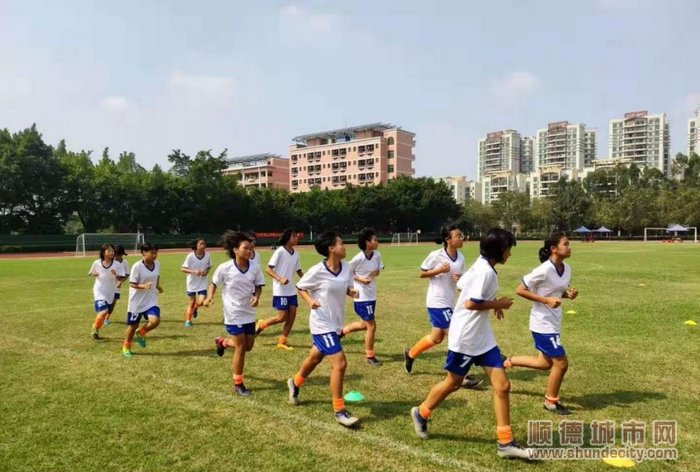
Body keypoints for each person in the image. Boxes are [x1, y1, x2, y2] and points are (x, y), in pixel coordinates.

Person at [410, 228, 532, 460]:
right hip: (465, 337)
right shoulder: (485, 271)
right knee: (453, 383)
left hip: (483, 338)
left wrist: (491, 302)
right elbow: (469, 303)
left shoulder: (481, 264)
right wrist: (498, 302)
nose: (510, 254)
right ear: (499, 250)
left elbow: (460, 285)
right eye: (508, 249)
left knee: (503, 386)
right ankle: (422, 412)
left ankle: (505, 443)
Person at [286, 231, 361, 427]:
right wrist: (310, 300)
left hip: (336, 322)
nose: (344, 246)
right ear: (331, 248)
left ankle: (295, 382)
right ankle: (339, 411)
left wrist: (350, 292)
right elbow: (301, 287)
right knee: (340, 364)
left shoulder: (346, 268)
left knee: (315, 358)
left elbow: (342, 286)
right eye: (341, 243)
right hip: (322, 323)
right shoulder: (317, 270)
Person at [503, 233, 578, 415]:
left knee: (544, 364)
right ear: (553, 249)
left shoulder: (566, 268)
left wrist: (568, 295)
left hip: (554, 322)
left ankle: (505, 362)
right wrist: (545, 300)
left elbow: (556, 293)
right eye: (566, 244)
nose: (570, 247)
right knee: (561, 363)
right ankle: (551, 401)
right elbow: (520, 290)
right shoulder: (544, 270)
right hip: (542, 324)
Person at [404, 226, 482, 389]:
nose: (461, 238)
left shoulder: (460, 257)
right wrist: (438, 270)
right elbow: (422, 273)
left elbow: (461, 283)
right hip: (436, 302)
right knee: (456, 334)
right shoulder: (436, 255)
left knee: (436, 338)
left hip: (450, 302)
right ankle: (461, 376)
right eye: (458, 236)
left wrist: (460, 278)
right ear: (448, 239)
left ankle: (410, 354)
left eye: (461, 236)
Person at [206, 231, 265, 396]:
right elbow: (213, 283)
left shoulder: (255, 267)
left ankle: (222, 343)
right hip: (233, 313)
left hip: (249, 312)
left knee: (248, 347)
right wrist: (210, 297)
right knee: (240, 348)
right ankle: (238, 384)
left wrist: (257, 297)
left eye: (250, 248)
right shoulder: (225, 268)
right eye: (245, 248)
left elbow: (259, 285)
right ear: (235, 250)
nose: (249, 251)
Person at [341, 228, 385, 366]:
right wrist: (359, 279)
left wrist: (376, 272)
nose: (377, 242)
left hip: (372, 294)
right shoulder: (358, 258)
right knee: (371, 326)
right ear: (367, 242)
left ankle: (341, 332)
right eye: (375, 240)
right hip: (362, 296)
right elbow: (347, 271)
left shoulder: (377, 255)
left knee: (365, 324)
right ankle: (370, 356)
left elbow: (378, 270)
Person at [256, 228, 304, 350]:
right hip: (281, 290)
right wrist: (280, 278)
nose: (297, 238)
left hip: (292, 290)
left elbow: (298, 270)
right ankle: (262, 324)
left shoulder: (296, 254)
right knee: (282, 317)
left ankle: (282, 341)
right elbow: (268, 269)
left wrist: (307, 280)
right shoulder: (280, 251)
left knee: (292, 315)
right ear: (288, 238)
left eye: (297, 236)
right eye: (294, 236)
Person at [122, 243, 163, 358]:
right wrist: (143, 286)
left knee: (155, 321)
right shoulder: (137, 266)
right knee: (133, 326)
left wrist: (158, 286)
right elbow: (132, 284)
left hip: (151, 299)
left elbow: (157, 275)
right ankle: (126, 346)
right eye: (152, 253)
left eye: (156, 253)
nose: (154, 255)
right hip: (137, 301)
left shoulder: (157, 264)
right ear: (144, 253)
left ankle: (141, 332)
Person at [88, 243, 125, 339]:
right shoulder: (97, 263)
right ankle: (94, 328)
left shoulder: (117, 265)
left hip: (110, 291)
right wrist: (95, 274)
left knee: (105, 312)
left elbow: (121, 278)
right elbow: (92, 273)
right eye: (109, 251)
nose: (111, 252)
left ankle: (96, 328)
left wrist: (116, 274)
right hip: (99, 290)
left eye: (112, 251)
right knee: (104, 311)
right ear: (103, 253)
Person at [180, 237, 212, 327]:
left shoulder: (208, 255)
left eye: (204, 244)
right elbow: (183, 269)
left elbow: (209, 266)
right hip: (192, 283)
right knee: (192, 302)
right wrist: (194, 271)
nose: (203, 246)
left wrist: (206, 271)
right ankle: (188, 320)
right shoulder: (190, 256)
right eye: (200, 244)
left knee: (201, 302)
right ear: (196, 246)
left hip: (202, 282)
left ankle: (195, 308)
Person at [105, 245, 129, 326]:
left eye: (119, 255)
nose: (117, 257)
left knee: (113, 302)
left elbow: (127, 274)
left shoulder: (125, 263)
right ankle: (103, 315)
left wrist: (121, 282)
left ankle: (107, 318)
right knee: (107, 302)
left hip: (117, 287)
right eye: (116, 255)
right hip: (107, 285)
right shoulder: (109, 262)